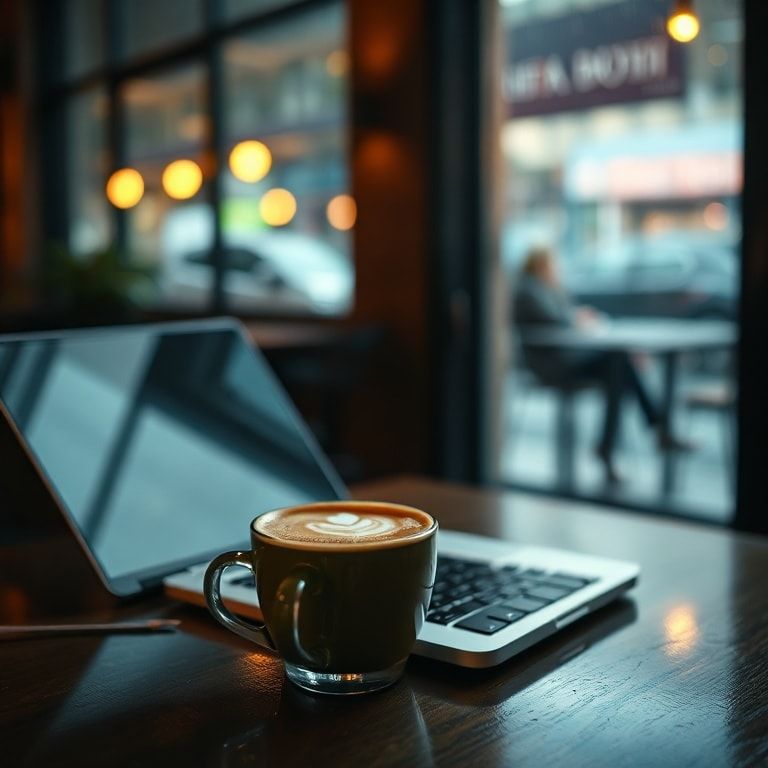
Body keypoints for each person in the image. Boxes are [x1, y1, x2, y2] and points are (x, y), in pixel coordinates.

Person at [512, 246, 689, 485]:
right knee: (618, 365)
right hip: (552, 366)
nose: (556, 269)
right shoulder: (529, 290)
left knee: (618, 366)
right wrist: (577, 318)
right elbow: (557, 322)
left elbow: (563, 320)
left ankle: (620, 443)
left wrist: (578, 317)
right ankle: (653, 431)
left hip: (566, 357)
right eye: (552, 264)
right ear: (540, 264)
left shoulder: (547, 289)